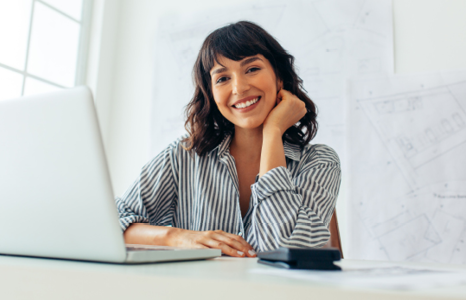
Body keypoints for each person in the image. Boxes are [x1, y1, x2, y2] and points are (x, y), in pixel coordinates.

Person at [116, 21, 341, 258]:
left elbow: (285, 251)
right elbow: (112, 225)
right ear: (211, 94)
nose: (239, 87)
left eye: (252, 69)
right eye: (222, 78)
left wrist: (273, 132)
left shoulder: (320, 162)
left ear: (279, 79)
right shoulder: (183, 155)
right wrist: (177, 237)